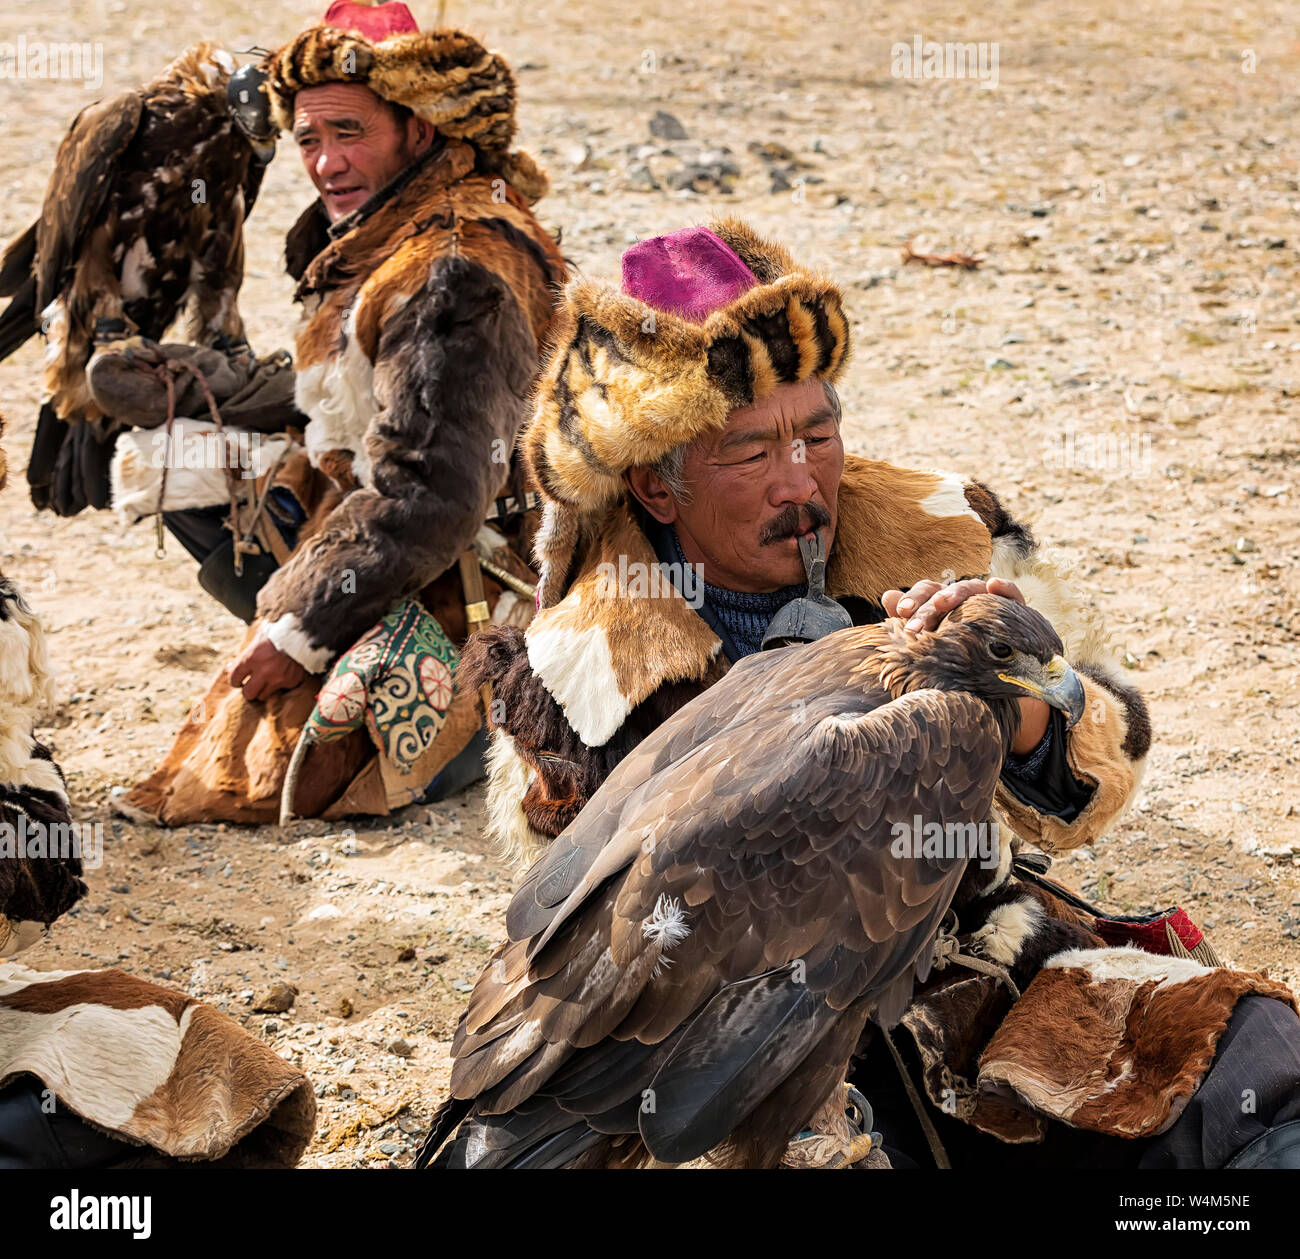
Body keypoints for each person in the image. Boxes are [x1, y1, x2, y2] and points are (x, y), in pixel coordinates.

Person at [461, 218, 1300, 1168]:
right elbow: (622, 958)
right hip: (746, 1041)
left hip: (973, 957)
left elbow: (1102, 770)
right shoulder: (576, 667)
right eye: (750, 453)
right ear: (660, 485)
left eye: (817, 431)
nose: (801, 479)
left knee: (1250, 1075)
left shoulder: (941, 530)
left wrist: (1008, 710)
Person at [114, 1, 565, 825]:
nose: (325, 162)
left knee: (276, 773)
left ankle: (462, 717)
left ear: (418, 132)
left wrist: (297, 629)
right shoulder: (395, 225)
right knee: (160, 462)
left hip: (478, 571)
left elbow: (433, 491)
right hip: (399, 519)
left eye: (348, 132)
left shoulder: (452, 265)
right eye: (309, 139)